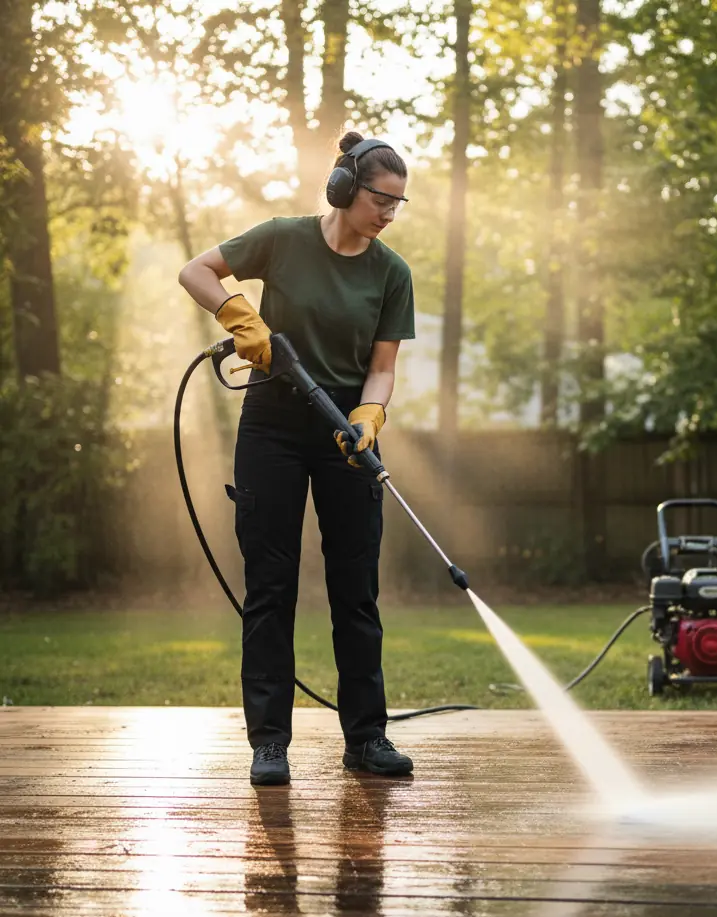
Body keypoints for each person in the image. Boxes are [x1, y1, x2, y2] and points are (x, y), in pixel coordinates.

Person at [177, 130, 416, 785]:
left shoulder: (391, 272)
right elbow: (194, 270)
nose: (389, 213)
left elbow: (383, 366)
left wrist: (369, 416)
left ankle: (366, 738)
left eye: (399, 203)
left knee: (356, 591)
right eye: (380, 199)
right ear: (344, 188)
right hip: (274, 423)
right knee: (271, 587)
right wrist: (240, 318)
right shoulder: (282, 237)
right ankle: (270, 743)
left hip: (345, 428)